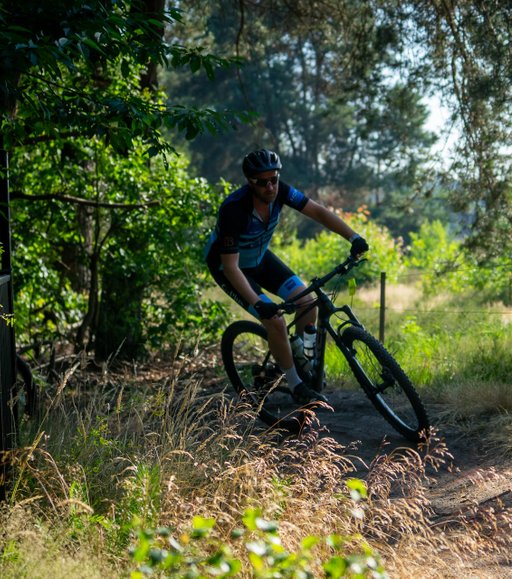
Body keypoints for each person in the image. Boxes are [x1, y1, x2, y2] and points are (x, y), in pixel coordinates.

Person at [205, 148, 369, 404]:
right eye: (263, 182)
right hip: (230, 268)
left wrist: (353, 236)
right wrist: (260, 303)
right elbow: (231, 267)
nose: (270, 186)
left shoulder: (280, 191)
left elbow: (317, 211)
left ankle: (302, 358)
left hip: (259, 259)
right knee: (275, 321)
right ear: (250, 182)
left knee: (306, 302)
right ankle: (296, 385)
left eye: (274, 178)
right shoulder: (234, 210)